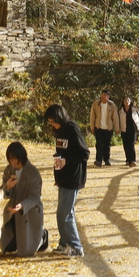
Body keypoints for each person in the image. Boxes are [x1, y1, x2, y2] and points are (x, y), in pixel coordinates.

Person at [45, 104, 89, 257]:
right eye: (50, 122)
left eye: (53, 121)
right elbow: (60, 154)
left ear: (59, 117)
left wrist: (67, 161)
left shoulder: (72, 129)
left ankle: (76, 247)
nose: (52, 124)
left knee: (66, 213)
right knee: (60, 213)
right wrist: (58, 175)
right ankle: (65, 243)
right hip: (63, 177)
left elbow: (84, 153)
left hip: (73, 177)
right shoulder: (59, 132)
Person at [0, 142, 45, 257]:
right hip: (13, 206)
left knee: (26, 250)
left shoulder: (33, 172)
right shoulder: (9, 170)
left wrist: (22, 205)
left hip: (30, 208)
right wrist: (7, 187)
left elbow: (35, 196)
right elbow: (2, 193)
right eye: (10, 159)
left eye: (15, 159)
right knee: (8, 246)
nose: (13, 162)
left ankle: (42, 236)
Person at [89, 91, 119, 167]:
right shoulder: (96, 104)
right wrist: (92, 127)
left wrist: (117, 128)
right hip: (98, 127)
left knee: (107, 145)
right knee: (99, 144)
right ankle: (98, 160)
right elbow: (92, 116)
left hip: (108, 128)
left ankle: (107, 159)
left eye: (105, 95)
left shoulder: (112, 105)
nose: (103, 97)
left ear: (108, 97)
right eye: (102, 95)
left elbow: (115, 117)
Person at [118, 96, 139, 167]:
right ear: (123, 102)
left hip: (132, 129)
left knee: (131, 145)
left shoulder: (134, 109)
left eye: (128, 100)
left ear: (130, 101)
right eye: (125, 100)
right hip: (124, 129)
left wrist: (138, 126)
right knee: (126, 145)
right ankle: (128, 159)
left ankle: (133, 160)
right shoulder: (120, 111)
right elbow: (117, 120)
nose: (127, 101)